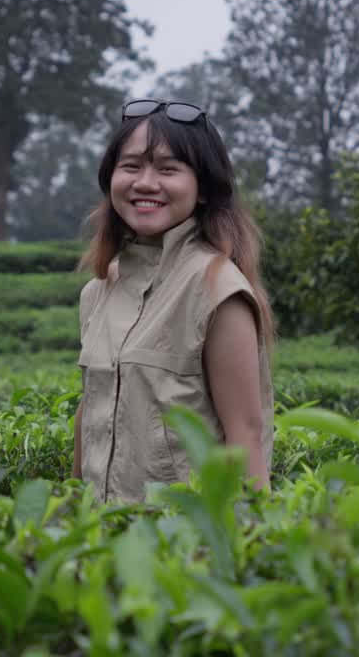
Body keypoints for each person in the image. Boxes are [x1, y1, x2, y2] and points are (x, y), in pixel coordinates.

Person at [72, 98, 275, 503]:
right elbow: (90, 412)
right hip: (102, 539)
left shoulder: (217, 288)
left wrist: (254, 542)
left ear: (202, 189)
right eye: (131, 166)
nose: (145, 183)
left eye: (168, 169)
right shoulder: (99, 290)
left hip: (181, 544)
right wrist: (69, 513)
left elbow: (245, 433)